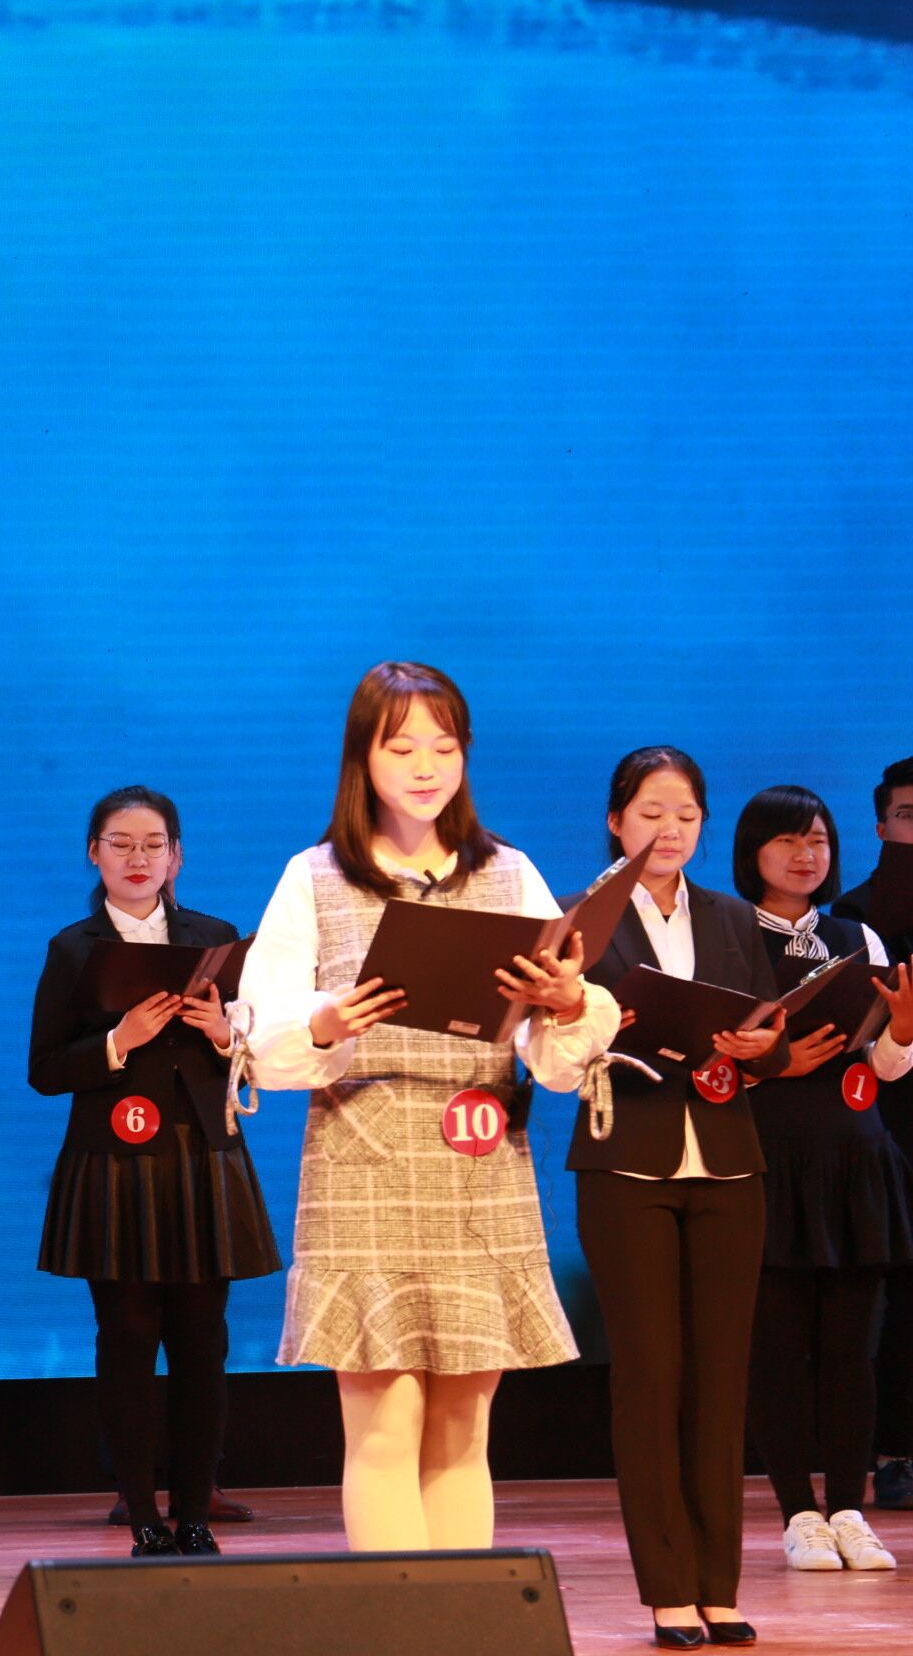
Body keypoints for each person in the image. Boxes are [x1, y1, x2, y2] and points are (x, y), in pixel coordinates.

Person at [245, 663, 620, 1564]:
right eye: (402, 747)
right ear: (362, 758)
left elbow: (557, 1060)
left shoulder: (509, 872)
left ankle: (467, 1620)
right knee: (385, 1425)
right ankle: (401, 1620)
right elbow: (255, 1034)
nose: (425, 767)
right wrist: (327, 1021)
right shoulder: (315, 877)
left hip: (481, 1162)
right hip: (365, 1159)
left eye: (444, 748)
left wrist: (568, 1002)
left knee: (463, 1428)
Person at [565, 749, 781, 1649]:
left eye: (686, 815)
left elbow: (769, 1032)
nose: (670, 830)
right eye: (651, 812)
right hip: (627, 1161)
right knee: (650, 1376)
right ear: (616, 820)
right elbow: (552, 1042)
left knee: (721, 1377)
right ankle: (668, 1590)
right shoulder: (580, 919)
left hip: (728, 1160)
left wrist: (759, 1047)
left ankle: (719, 1585)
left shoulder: (731, 916)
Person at [28, 785, 279, 1558]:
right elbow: (45, 1069)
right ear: (93, 853)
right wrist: (120, 1040)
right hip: (113, 1164)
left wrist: (224, 1031)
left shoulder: (216, 939)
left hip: (203, 1156)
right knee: (127, 1337)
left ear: (177, 857)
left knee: (204, 1340)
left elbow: (255, 1056)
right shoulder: (73, 948)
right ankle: (142, 1514)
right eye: (121, 843)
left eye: (153, 845)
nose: (137, 859)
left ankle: (195, 1512)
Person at [734, 784, 913, 1574]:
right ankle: (798, 1515)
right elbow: (702, 1064)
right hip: (767, 1160)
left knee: (850, 1350)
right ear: (753, 852)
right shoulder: (728, 934)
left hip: (854, 1158)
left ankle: (848, 1509)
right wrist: (771, 1065)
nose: (806, 855)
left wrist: (901, 1033)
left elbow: (884, 1066)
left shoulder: (856, 935)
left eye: (818, 841)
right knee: (777, 1350)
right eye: (787, 840)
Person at [830, 755, 913, 1510]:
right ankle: (895, 1454)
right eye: (909, 817)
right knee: (897, 1295)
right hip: (889, 1120)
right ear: (881, 826)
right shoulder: (855, 915)